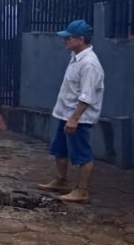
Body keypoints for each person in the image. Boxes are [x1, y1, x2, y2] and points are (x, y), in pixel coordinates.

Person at [38, 19, 104, 204]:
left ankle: (82, 191)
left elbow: (87, 95)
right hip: (65, 113)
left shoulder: (89, 64)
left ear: (80, 39)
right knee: (60, 149)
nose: (65, 41)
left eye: (69, 38)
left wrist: (74, 118)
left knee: (82, 154)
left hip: (78, 118)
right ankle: (61, 180)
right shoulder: (76, 58)